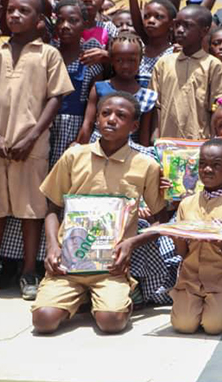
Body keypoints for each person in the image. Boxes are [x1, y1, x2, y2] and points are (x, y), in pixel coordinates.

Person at [31, 92, 164, 334]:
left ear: (134, 126)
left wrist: (132, 243)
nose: (111, 119)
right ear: (96, 119)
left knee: (111, 322)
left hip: (112, 266)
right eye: (105, 113)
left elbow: (161, 220)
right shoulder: (74, 156)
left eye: (121, 116)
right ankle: (81, 298)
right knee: (43, 321)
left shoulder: (146, 165)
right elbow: (52, 208)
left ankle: (119, 294)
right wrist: (52, 246)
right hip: (68, 264)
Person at [0, 0, 75, 299]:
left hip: (31, 145)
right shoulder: (0, 49)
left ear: (40, 20)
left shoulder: (48, 54)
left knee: (31, 211)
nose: (15, 15)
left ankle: (29, 271)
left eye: (24, 11)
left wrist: (31, 137)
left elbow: (55, 97)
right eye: (11, 10)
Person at [170, 139, 222, 335]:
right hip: (190, 280)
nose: (207, 170)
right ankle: (198, 305)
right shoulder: (187, 204)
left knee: (213, 326)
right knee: (184, 325)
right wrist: (177, 235)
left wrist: (219, 240)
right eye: (202, 165)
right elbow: (182, 252)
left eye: (216, 165)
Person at [150, 7, 222, 140]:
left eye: (187, 26)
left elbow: (219, 106)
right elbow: (156, 106)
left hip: (199, 143)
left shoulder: (212, 65)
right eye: (177, 25)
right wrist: (155, 138)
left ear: (204, 31)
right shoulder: (164, 63)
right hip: (166, 143)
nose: (180, 30)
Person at [49, 0, 104, 168]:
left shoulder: (90, 58)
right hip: (47, 125)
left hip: (74, 127)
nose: (65, 25)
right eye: (60, 20)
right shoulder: (49, 53)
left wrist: (84, 134)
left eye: (73, 21)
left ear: (85, 24)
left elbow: (93, 101)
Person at [77, 33, 157, 146]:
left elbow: (144, 135)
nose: (125, 66)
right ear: (111, 61)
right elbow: (88, 124)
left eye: (131, 60)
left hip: (128, 153)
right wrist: (80, 150)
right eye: (119, 60)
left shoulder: (147, 97)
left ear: (140, 60)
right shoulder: (99, 88)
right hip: (97, 146)